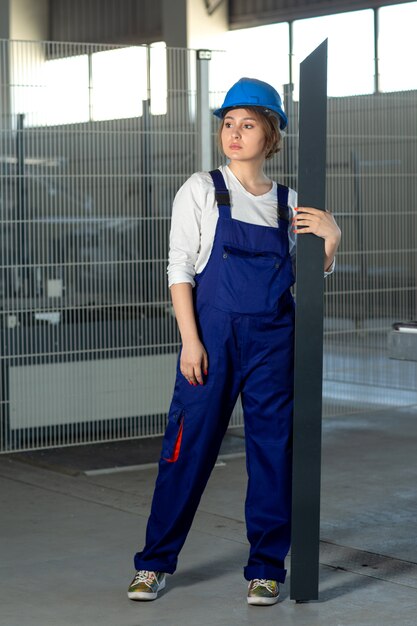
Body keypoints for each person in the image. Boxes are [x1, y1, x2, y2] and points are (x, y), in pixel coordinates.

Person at [127, 77, 341, 606]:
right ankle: (153, 562)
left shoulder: (290, 204)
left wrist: (331, 239)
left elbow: (307, 278)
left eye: (248, 124)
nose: (235, 133)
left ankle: (266, 568)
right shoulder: (201, 188)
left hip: (274, 344)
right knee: (187, 451)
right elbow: (179, 269)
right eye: (228, 123)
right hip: (212, 341)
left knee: (273, 454)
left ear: (271, 137)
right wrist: (190, 342)